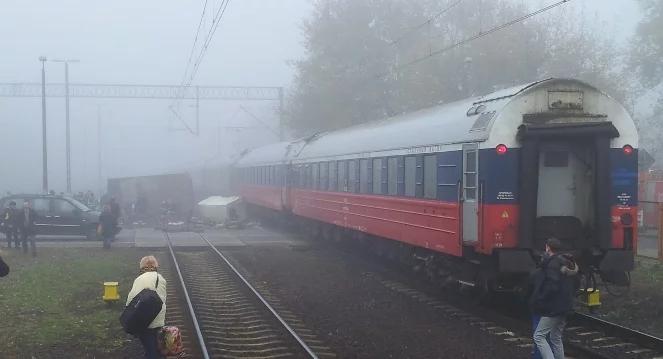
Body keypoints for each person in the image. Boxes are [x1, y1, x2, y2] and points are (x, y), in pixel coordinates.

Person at [529, 237, 578, 359]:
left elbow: (552, 286)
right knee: (555, 337)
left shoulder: (552, 264)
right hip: (566, 306)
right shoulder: (568, 263)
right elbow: (576, 284)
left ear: (548, 248)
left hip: (553, 307)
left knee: (539, 336)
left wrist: (540, 299)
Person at [126, 256, 167, 359]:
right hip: (158, 318)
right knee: (156, 346)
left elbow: (131, 299)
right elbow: (163, 299)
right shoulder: (161, 279)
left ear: (142, 266)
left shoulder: (139, 279)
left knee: (150, 349)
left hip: (143, 320)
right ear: (156, 266)